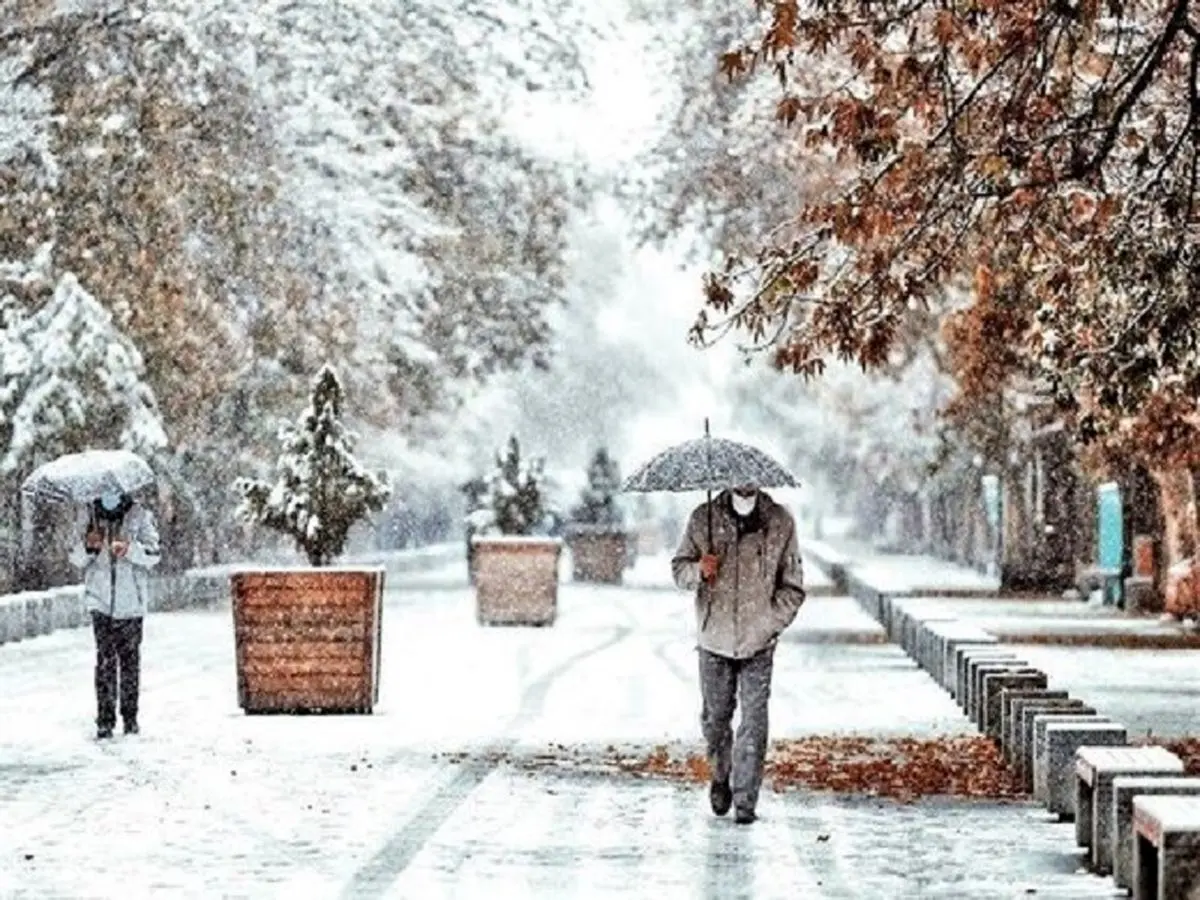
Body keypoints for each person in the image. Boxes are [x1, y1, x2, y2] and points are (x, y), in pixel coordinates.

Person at [672, 483, 806, 824]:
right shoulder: (703, 518)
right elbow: (679, 569)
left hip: (758, 642)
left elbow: (793, 586)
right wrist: (699, 570)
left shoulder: (780, 522)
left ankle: (746, 800)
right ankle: (721, 775)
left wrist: (770, 622)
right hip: (714, 638)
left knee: (754, 720)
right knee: (716, 719)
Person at [68, 490, 161, 739]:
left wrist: (130, 550)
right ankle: (105, 720)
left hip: (131, 603)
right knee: (105, 662)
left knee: (129, 663)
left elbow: (154, 554)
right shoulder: (88, 515)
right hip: (100, 602)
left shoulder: (139, 515)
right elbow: (75, 557)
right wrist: (89, 546)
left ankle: (130, 718)